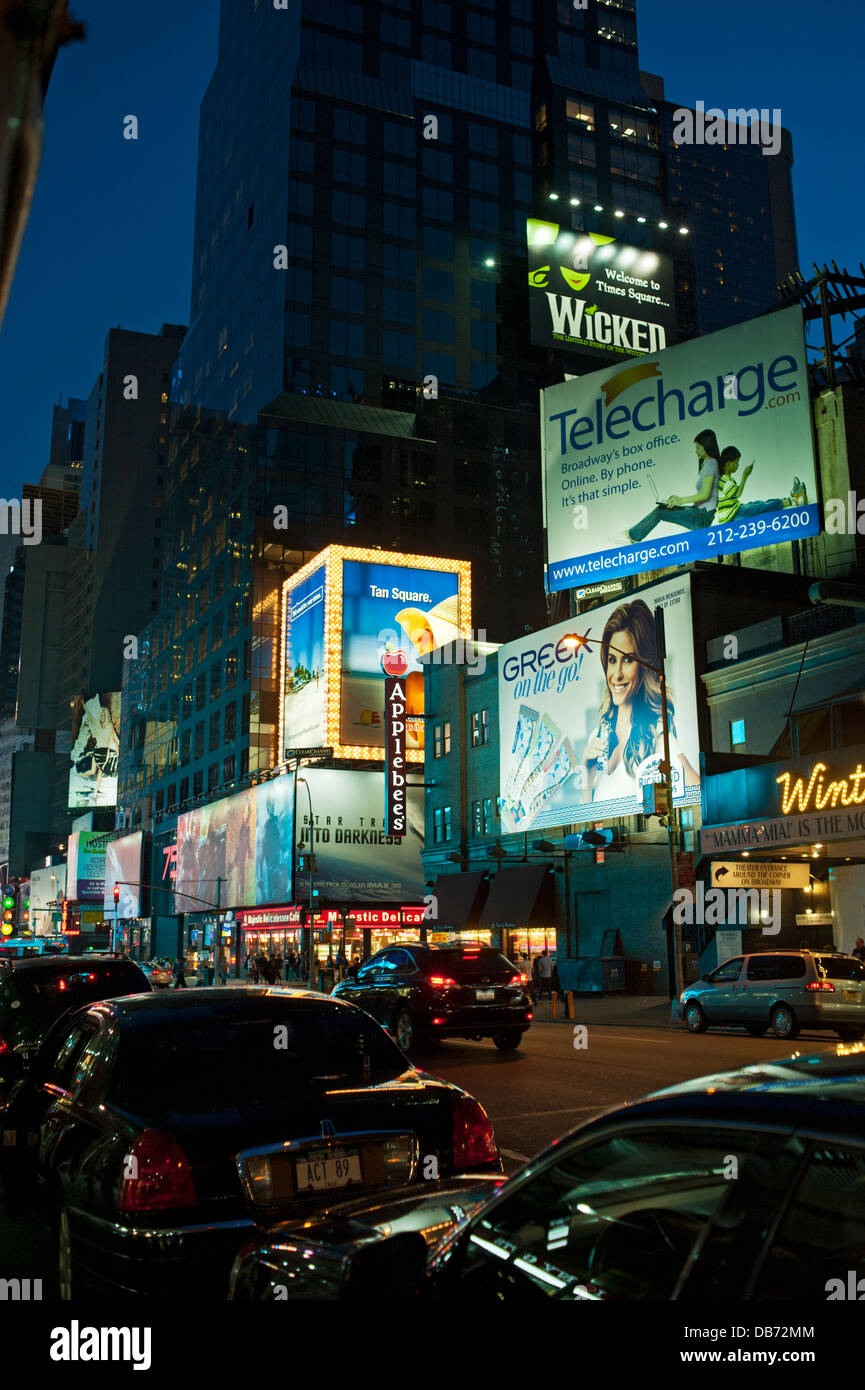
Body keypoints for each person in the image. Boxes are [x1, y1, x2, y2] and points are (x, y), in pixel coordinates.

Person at [581, 598, 699, 805]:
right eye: (611, 660)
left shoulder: (655, 735)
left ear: (645, 666)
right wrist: (587, 776)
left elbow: (698, 792)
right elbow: (587, 825)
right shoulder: (598, 737)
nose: (616, 674)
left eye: (627, 660)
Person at [617, 429, 721, 544]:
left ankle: (632, 536)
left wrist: (681, 500)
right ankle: (633, 536)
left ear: (707, 446)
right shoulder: (707, 463)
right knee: (664, 508)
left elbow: (705, 495)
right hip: (699, 513)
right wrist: (677, 499)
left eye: (698, 448)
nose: (696, 451)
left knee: (661, 511)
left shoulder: (711, 463)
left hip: (702, 517)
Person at [715, 447, 806, 523]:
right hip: (732, 515)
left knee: (758, 504)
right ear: (728, 464)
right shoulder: (725, 480)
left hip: (735, 510)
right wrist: (745, 475)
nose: (738, 465)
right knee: (760, 507)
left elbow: (735, 494)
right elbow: (738, 494)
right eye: (737, 463)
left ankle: (787, 499)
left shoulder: (727, 479)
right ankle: (794, 501)